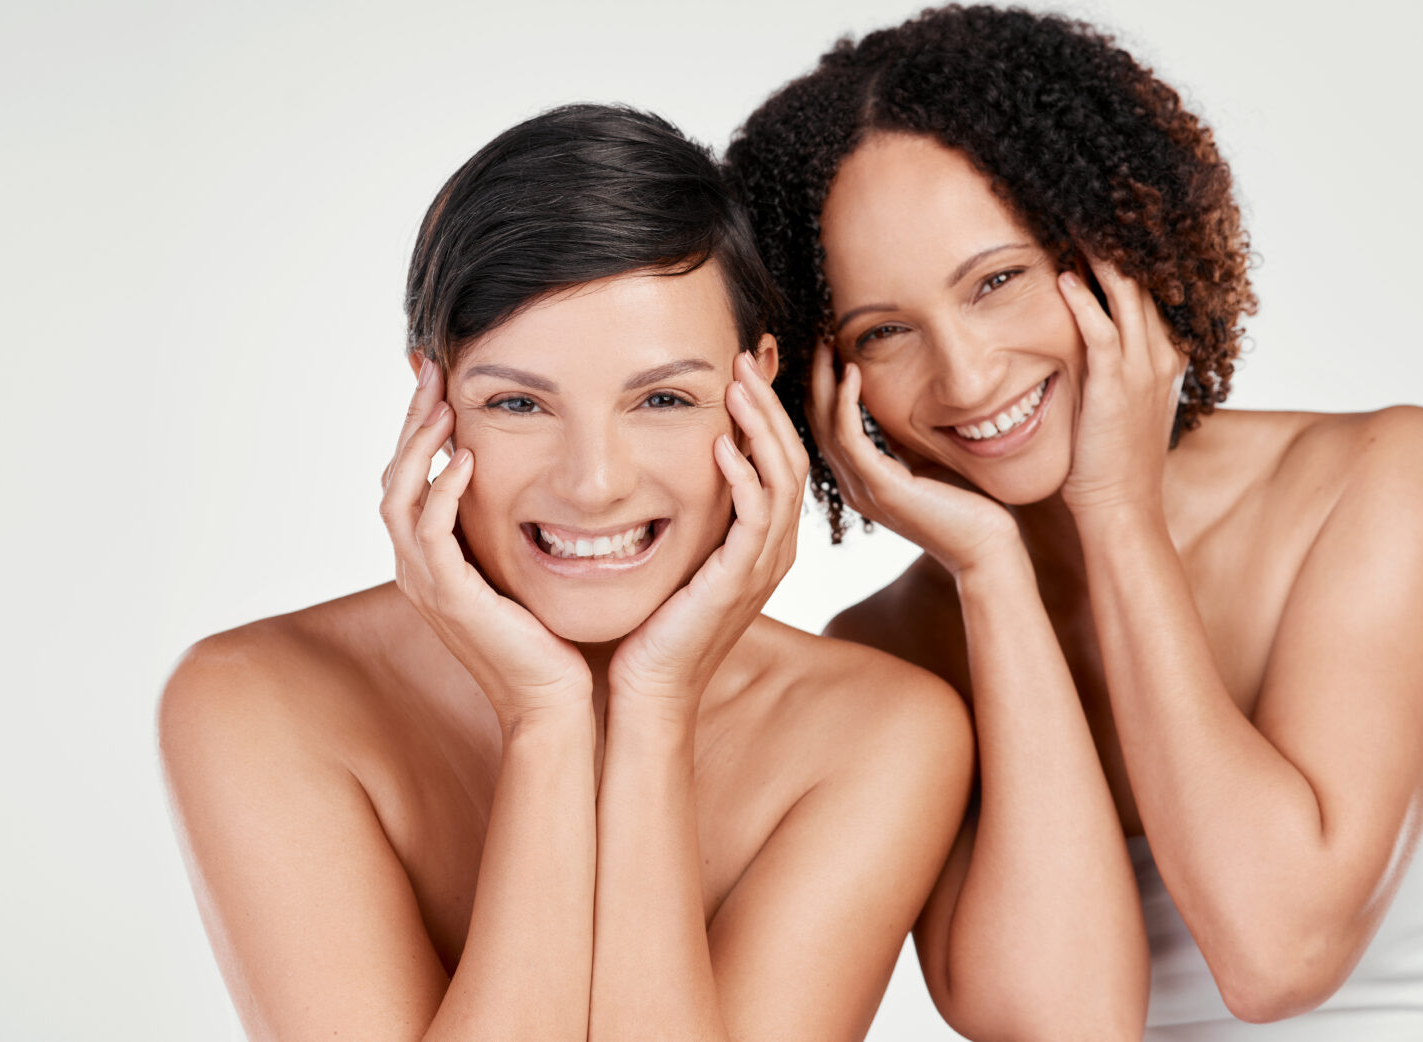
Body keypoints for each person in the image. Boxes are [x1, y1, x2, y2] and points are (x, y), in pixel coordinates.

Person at [726, 6, 1423, 1039]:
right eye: (885, 331)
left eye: (997, 282)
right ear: (828, 378)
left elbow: (1276, 953)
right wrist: (993, 576)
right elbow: (1057, 1025)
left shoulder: (1384, 482)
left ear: (1116, 246)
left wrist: (1116, 513)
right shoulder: (895, 651)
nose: (966, 375)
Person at [157, 103, 973, 1042]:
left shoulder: (880, 732)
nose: (593, 483)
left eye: (663, 398)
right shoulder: (258, 699)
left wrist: (654, 708)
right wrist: (544, 724)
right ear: (432, 400)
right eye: (517, 403)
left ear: (757, 392)